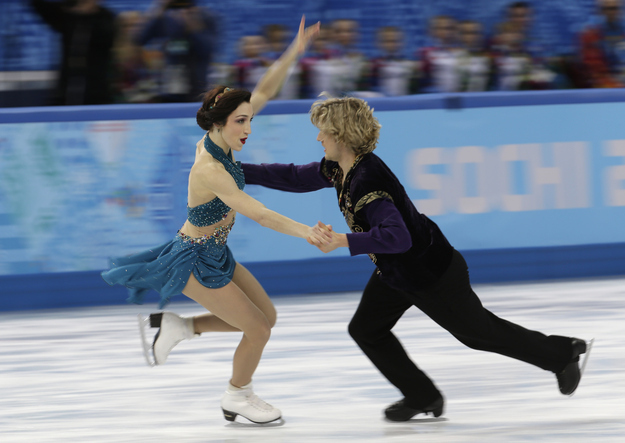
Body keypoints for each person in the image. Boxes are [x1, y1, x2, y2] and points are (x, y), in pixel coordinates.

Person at [240, 94, 591, 421]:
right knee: (366, 329)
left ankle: (563, 354)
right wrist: (240, 172)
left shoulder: (366, 179)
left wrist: (342, 241)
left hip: (431, 273)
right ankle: (422, 396)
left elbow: (397, 237)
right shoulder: (341, 168)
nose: (319, 139)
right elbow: (295, 176)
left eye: (324, 132)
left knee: (479, 334)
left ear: (342, 135)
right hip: (397, 273)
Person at [101, 17, 323, 424]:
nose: (249, 128)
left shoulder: (224, 136)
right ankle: (238, 395)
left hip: (216, 252)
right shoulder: (210, 168)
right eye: (241, 121)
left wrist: (294, 50)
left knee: (266, 318)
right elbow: (256, 211)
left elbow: (266, 89)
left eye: (249, 119)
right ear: (220, 122)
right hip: (194, 260)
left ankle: (181, 329)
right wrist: (306, 231)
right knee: (258, 330)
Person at [29, 0, 117, 105]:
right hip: (65, 93)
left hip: (97, 95)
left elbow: (104, 37)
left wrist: (82, 13)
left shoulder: (106, 19)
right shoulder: (66, 16)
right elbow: (40, 5)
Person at [134, 0, 218, 102]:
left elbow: (208, 50)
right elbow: (139, 39)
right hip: (170, 87)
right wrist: (157, 10)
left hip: (197, 87)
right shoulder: (164, 18)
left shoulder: (205, 17)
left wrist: (193, 27)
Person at [580, 0, 625, 88]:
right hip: (607, 82)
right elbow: (594, 70)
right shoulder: (591, 35)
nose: (612, 12)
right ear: (600, 11)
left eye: (615, 8)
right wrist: (616, 84)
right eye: (607, 9)